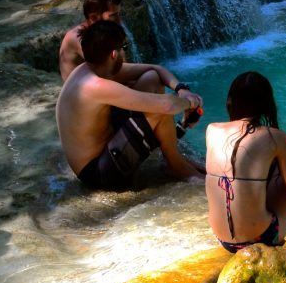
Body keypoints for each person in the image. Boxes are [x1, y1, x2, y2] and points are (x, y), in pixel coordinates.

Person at [56, 20, 205, 191]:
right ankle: (176, 165)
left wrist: (182, 90)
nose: (123, 52)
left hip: (107, 147)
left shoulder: (88, 68)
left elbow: (154, 69)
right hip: (98, 173)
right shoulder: (96, 85)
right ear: (114, 54)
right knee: (158, 109)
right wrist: (191, 103)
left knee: (151, 77)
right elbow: (166, 106)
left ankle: (173, 157)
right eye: (123, 48)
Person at [205, 71, 286, 252]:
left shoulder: (212, 130)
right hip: (260, 240)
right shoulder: (276, 137)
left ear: (230, 101)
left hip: (224, 240)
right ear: (267, 105)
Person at [59, 0, 123, 82]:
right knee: (148, 78)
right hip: (82, 93)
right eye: (113, 15)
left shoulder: (103, 34)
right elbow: (113, 71)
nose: (119, 20)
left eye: (119, 14)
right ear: (93, 17)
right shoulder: (80, 38)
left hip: (101, 83)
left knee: (149, 77)